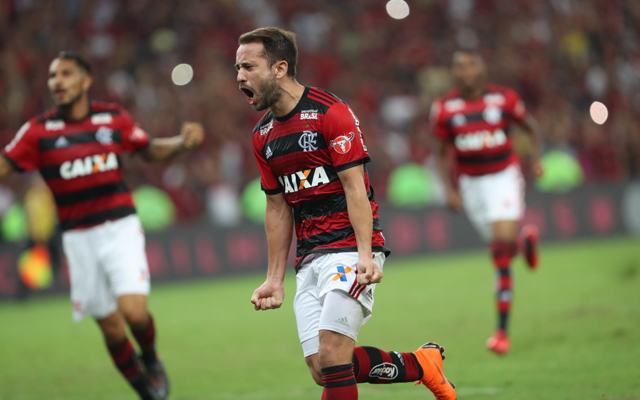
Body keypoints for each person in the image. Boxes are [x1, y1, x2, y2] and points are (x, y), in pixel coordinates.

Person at [236, 27, 456, 400]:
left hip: (348, 250)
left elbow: (356, 188)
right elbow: (277, 207)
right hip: (309, 257)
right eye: (237, 68)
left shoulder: (329, 113)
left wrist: (366, 255)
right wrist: (274, 278)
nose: (239, 76)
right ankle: (421, 365)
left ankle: (422, 365)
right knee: (323, 369)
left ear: (279, 68)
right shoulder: (263, 136)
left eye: (248, 67)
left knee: (333, 354)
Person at [0, 52, 204, 399]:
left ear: (85, 80)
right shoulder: (38, 131)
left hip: (119, 226)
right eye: (52, 76)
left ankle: (151, 360)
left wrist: (181, 143)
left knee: (134, 312)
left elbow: (148, 149)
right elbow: (5, 165)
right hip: (78, 239)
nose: (57, 82)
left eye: (66, 74)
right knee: (111, 328)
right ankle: (144, 388)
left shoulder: (112, 118)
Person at [431, 49, 543, 354]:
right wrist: (449, 189)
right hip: (470, 185)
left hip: (503, 177)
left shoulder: (504, 99)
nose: (465, 71)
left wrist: (535, 161)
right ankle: (524, 244)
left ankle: (501, 333)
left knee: (499, 254)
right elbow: (441, 152)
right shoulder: (444, 108)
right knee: (500, 245)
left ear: (482, 69)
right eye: (459, 66)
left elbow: (530, 128)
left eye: (470, 65)